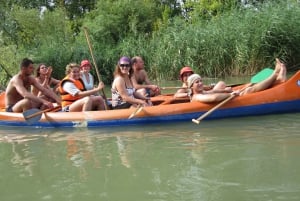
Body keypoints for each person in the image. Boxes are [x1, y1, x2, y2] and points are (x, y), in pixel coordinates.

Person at [187, 58, 287, 103]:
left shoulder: (202, 91)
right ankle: (275, 74)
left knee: (248, 85)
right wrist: (230, 95)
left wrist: (228, 91)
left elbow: (213, 92)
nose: (200, 83)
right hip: (223, 101)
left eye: (200, 81)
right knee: (248, 91)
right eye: (197, 82)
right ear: (191, 86)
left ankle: (278, 80)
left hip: (226, 97)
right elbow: (213, 98)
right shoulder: (197, 97)